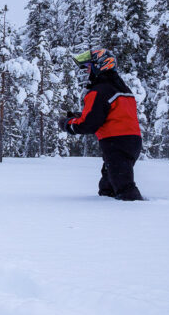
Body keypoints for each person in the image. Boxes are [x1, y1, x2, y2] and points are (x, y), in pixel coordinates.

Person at [58, 49, 144, 201]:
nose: (87, 73)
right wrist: (81, 116)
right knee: (108, 187)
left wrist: (68, 124)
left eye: (89, 68)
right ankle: (106, 217)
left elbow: (88, 124)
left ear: (100, 66)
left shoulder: (99, 91)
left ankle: (139, 217)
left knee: (125, 190)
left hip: (116, 143)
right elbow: (110, 114)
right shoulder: (122, 89)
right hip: (131, 141)